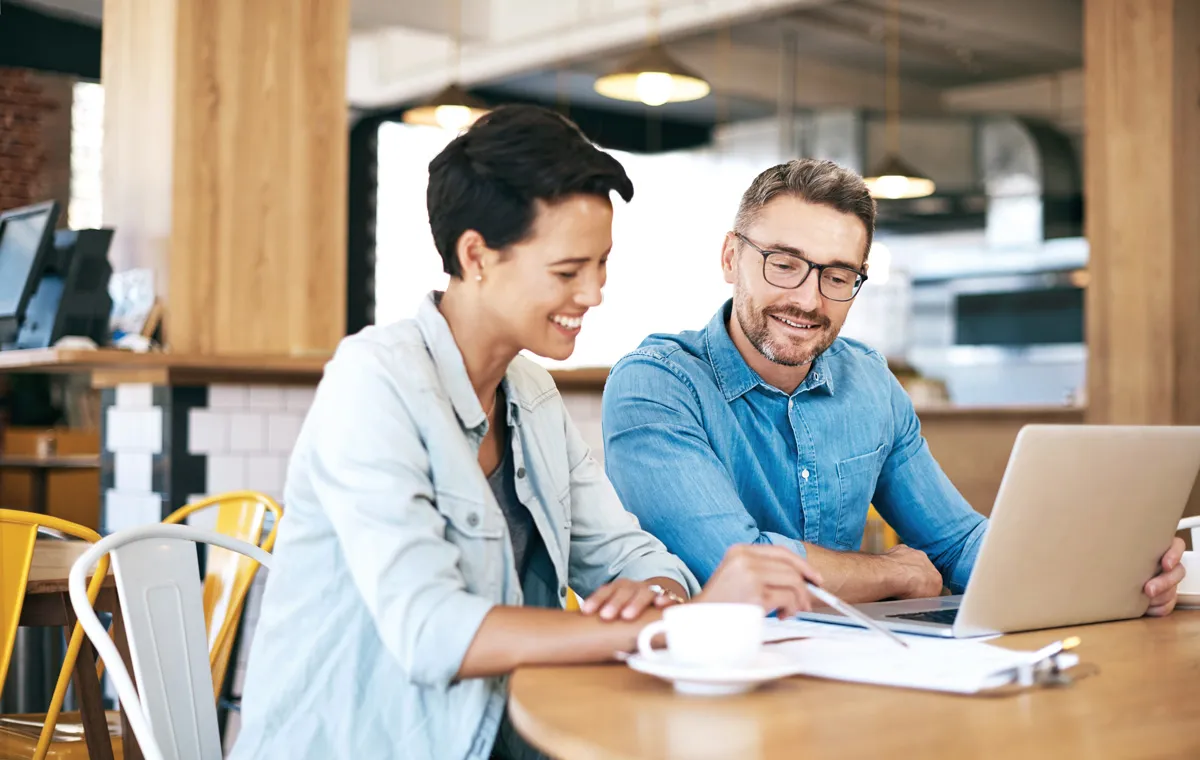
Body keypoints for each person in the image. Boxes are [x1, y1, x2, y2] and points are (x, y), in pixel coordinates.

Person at [229, 106, 822, 760]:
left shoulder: (531, 392)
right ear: (476, 255)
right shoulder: (373, 384)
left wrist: (656, 594)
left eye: (602, 265)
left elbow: (635, 557)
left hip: (512, 735)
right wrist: (676, 625)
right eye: (569, 272)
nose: (594, 293)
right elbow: (433, 632)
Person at [601, 158, 1188, 613]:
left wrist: (1113, 576)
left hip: (855, 678)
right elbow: (741, 565)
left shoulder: (869, 383)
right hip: (702, 693)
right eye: (784, 263)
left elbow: (957, 543)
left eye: (837, 276)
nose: (809, 299)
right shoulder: (656, 385)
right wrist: (892, 573)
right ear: (731, 257)